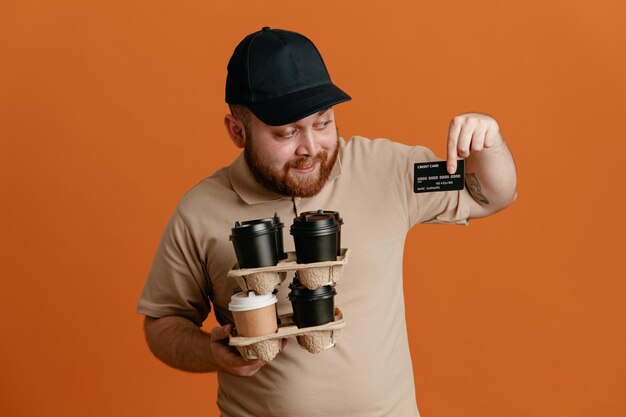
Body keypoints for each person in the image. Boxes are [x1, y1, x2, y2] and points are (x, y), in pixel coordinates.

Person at [137, 27, 517, 417]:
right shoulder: (199, 210)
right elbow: (163, 321)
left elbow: (491, 193)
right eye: (286, 132)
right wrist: (209, 353)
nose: (311, 148)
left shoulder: (386, 170)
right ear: (237, 132)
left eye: (322, 123)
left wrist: (490, 142)